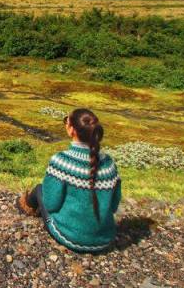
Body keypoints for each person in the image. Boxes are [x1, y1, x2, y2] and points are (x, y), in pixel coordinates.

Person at [17, 108, 121, 253]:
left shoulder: (62, 161)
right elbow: (114, 206)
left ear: (72, 130)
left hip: (69, 237)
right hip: (104, 240)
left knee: (39, 189)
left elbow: (51, 205)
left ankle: (25, 205)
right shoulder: (109, 164)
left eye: (67, 121)